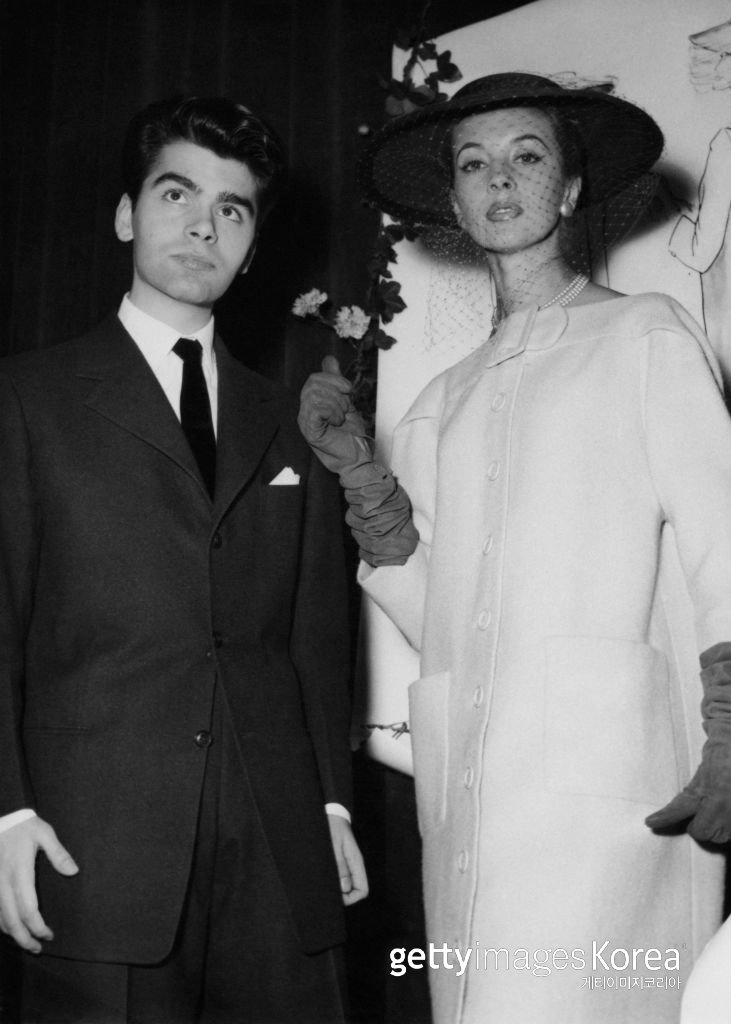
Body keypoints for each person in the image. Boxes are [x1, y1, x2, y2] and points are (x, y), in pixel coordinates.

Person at [298, 73, 731, 1024]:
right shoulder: (440, 399)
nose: (499, 179)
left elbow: (722, 540)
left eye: (526, 156)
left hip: (608, 801)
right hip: (472, 808)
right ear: (453, 204)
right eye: (472, 163)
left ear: (568, 188)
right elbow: (442, 614)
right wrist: (366, 488)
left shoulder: (643, 335)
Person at [0, 94, 367, 1024]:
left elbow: (318, 632)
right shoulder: (26, 397)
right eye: (177, 194)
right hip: (92, 845)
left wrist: (331, 806)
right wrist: (4, 811)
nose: (204, 226)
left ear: (252, 245)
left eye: (231, 209)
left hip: (280, 850)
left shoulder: (289, 418)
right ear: (127, 215)